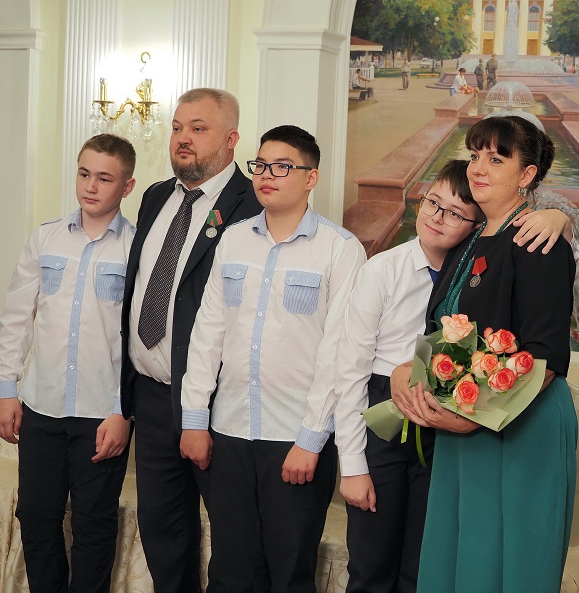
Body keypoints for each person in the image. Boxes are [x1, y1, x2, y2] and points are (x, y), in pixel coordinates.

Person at [335, 160, 573, 593]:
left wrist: (562, 219)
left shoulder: (477, 260)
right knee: (371, 563)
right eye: (433, 203)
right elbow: (348, 368)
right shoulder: (383, 269)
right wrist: (351, 464)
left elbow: (544, 279)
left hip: (449, 421)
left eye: (456, 213)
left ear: (475, 225)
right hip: (389, 411)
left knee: (429, 560)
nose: (438, 217)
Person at [392, 116, 578, 592]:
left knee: (506, 565)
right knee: (458, 559)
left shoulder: (537, 240)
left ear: (526, 175)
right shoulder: (470, 239)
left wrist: (473, 419)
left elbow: (544, 356)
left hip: (519, 423)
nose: (478, 167)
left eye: (496, 159)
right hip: (464, 420)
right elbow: (445, 332)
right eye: (475, 155)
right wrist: (405, 373)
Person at [179, 125, 365, 591]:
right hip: (229, 431)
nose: (266, 175)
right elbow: (208, 334)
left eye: (282, 166)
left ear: (311, 178)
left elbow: (340, 353)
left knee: (289, 573)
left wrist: (311, 438)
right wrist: (194, 419)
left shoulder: (340, 249)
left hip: (295, 438)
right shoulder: (233, 239)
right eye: (260, 165)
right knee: (230, 570)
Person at [120, 87, 263, 593]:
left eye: (198, 129)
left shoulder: (253, 204)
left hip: (218, 404)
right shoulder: (156, 196)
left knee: (235, 540)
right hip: (152, 398)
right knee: (163, 532)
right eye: (178, 127)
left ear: (231, 139)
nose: (183, 138)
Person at [0, 134, 136, 592]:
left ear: (127, 186)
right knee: (36, 517)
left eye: (104, 178)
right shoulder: (46, 238)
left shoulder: (137, 249)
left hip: (102, 413)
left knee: (94, 525)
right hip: (42, 406)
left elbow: (140, 343)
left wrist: (123, 411)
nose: (90, 186)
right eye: (84, 174)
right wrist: (6, 389)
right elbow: (16, 318)